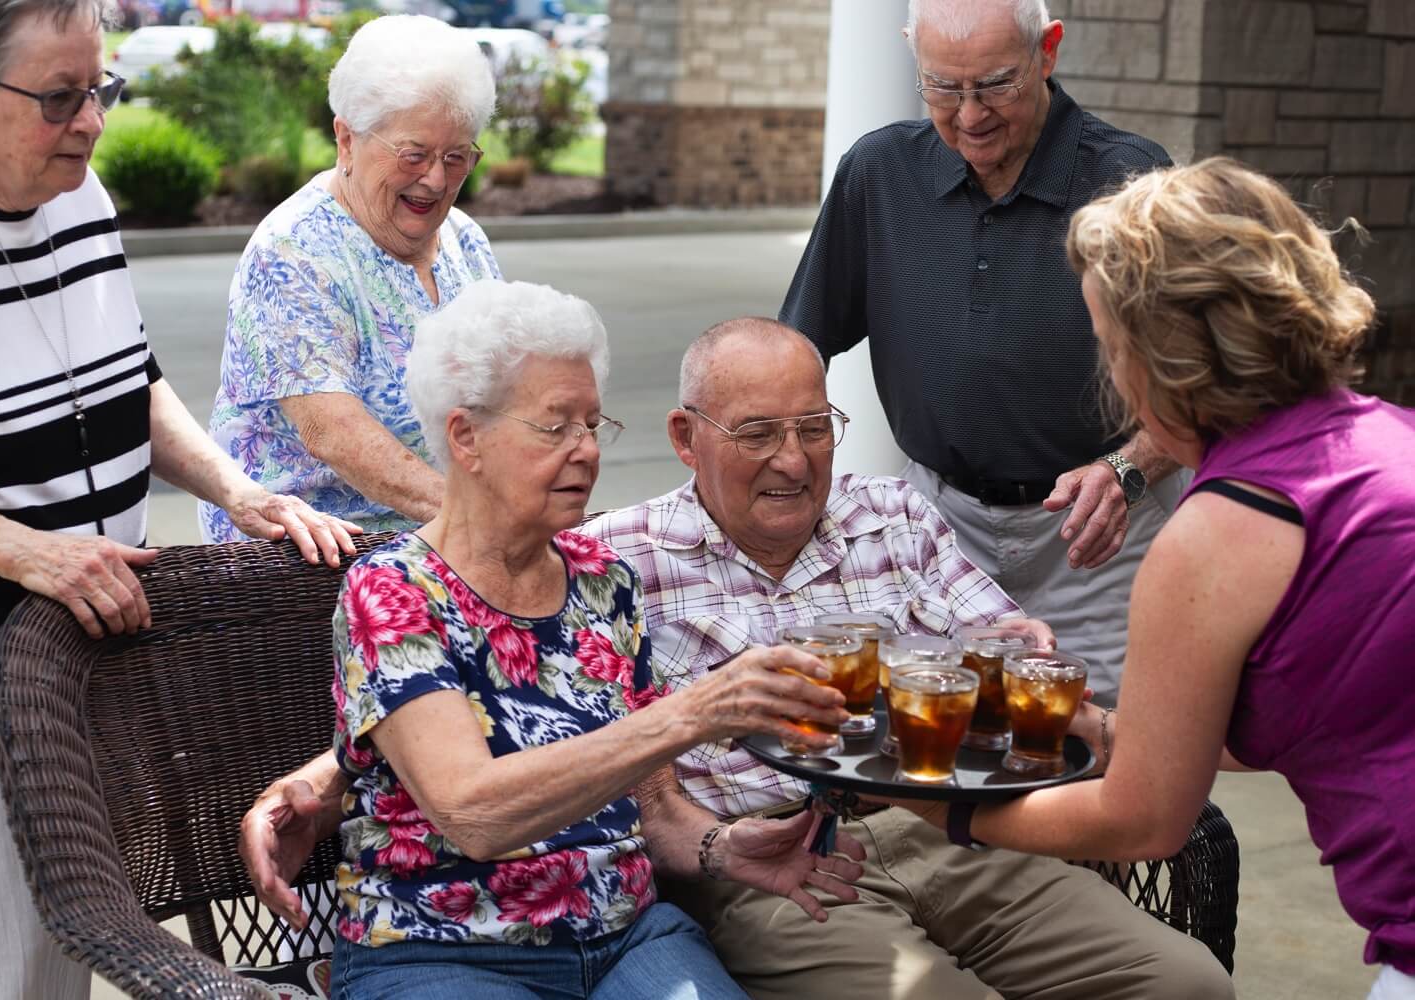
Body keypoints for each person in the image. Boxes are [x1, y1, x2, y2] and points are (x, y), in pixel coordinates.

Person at [246, 317, 1234, 999]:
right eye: (758, 433)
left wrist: (1050, 700)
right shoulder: (619, 554)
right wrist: (334, 771)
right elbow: (471, 674)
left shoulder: (887, 512)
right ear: (685, 437)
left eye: (815, 429)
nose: (795, 459)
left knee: (1189, 983)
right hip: (780, 858)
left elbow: (1013, 666)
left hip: (950, 820)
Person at [886, 159, 1415, 1000]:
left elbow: (1146, 819)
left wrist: (940, 808)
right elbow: (1334, 703)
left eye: (1106, 342)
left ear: (1162, 355)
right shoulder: (1391, 439)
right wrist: (1116, 724)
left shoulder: (1219, 532)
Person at [0, 1, 360, 996]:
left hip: (91, 658)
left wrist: (235, 488)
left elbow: (134, 381)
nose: (91, 123)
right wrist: (25, 550)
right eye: (60, 97)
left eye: (101, 90)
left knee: (62, 950)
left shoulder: (79, 193)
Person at [326, 281, 868, 999]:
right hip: (444, 952)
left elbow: (656, 811)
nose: (586, 450)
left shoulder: (601, 580)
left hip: (625, 938)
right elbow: (473, 811)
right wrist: (690, 715)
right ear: (466, 437)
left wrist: (723, 848)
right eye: (557, 427)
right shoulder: (393, 590)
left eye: (593, 423)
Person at [781, 0, 1179, 704]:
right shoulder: (878, 171)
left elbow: (1200, 381)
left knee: (1101, 751)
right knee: (940, 751)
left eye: (996, 85)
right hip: (938, 527)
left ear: (1047, 52)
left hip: (1098, 533)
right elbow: (793, 350)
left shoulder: (1130, 181)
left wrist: (1131, 469)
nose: (970, 116)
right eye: (942, 87)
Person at [199, 14, 502, 543]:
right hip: (314, 554)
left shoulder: (464, 239)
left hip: (444, 538)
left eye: (457, 158)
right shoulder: (294, 251)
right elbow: (333, 433)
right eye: (414, 155)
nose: (435, 179)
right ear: (346, 138)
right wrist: (484, 521)